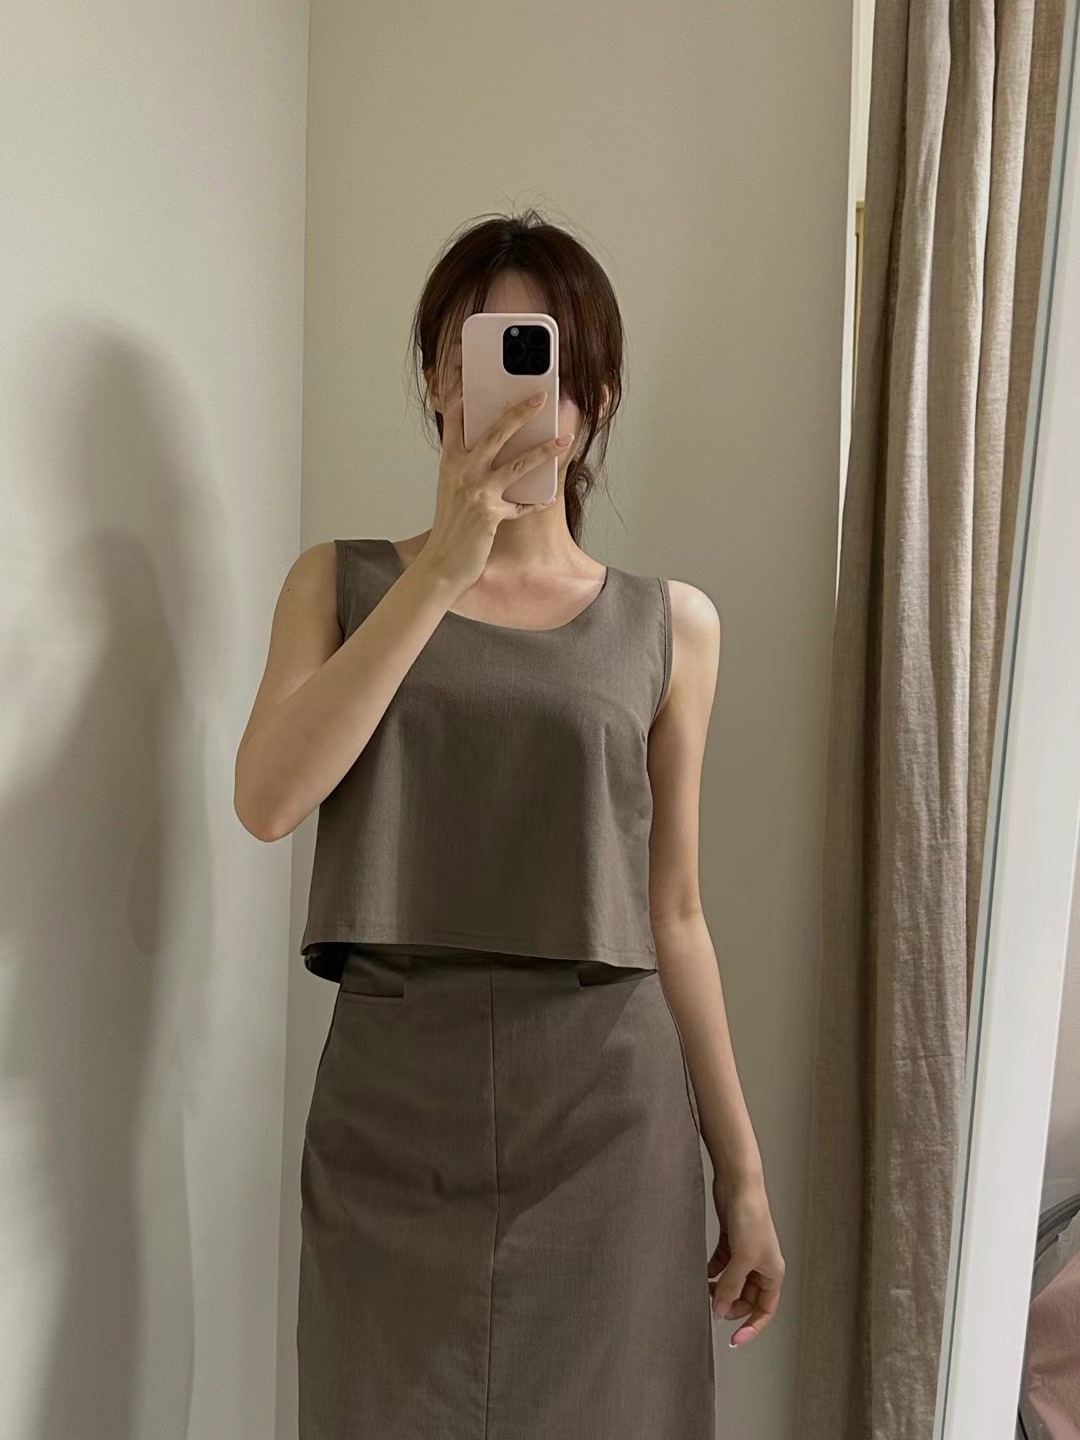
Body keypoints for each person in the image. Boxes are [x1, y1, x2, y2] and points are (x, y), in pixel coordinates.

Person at [235, 209, 784, 1439]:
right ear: (438, 381)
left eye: (544, 357)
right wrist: (443, 568)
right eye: (474, 354)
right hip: (392, 1107)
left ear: (593, 396)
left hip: (606, 1116)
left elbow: (675, 913)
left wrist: (743, 1178)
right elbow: (268, 800)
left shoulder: (671, 626)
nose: (510, 392)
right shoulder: (340, 583)